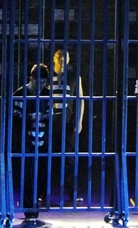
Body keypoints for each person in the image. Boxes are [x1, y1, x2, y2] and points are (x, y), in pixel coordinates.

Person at [12, 63, 52, 224]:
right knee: (28, 175)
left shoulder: (47, 93)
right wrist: (31, 117)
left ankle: (33, 204)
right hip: (25, 140)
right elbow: (14, 114)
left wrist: (45, 116)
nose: (41, 85)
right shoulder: (20, 93)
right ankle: (30, 210)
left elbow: (51, 112)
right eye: (38, 81)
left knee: (42, 174)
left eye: (43, 82)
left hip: (42, 139)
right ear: (31, 78)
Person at [50, 48, 84, 206]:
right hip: (49, 123)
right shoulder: (47, 76)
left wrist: (79, 120)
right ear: (54, 59)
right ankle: (40, 193)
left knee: (69, 159)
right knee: (45, 158)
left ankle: (72, 193)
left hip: (68, 123)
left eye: (65, 57)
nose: (62, 60)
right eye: (59, 57)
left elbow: (80, 99)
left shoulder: (74, 77)